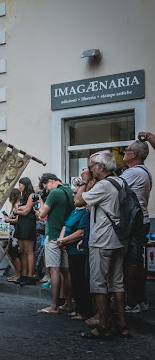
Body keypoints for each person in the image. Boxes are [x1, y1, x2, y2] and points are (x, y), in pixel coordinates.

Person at [75, 150, 130, 339]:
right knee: (117, 283)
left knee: (99, 284)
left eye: (92, 166)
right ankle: (123, 326)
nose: (90, 169)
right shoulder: (121, 181)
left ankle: (103, 326)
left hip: (102, 241)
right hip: (120, 239)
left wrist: (83, 181)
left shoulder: (104, 185)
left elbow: (78, 201)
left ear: (101, 167)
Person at [35, 173, 74, 315]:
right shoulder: (70, 190)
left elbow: (41, 214)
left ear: (51, 181)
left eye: (46, 188)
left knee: (54, 270)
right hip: (67, 237)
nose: (46, 191)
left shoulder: (55, 193)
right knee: (66, 271)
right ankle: (68, 304)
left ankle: (54, 306)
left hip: (53, 235)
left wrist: (40, 204)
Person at [58, 171, 94, 321]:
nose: (74, 196)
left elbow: (80, 233)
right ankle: (79, 308)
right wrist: (62, 239)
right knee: (75, 281)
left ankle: (84, 311)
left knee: (81, 282)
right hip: (71, 251)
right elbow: (66, 225)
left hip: (79, 252)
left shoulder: (85, 211)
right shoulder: (75, 210)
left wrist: (64, 241)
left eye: (76, 194)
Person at [120, 140, 151, 313]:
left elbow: (115, 188)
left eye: (126, 150)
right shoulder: (143, 171)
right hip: (141, 221)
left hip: (134, 223)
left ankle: (132, 301)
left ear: (134, 155)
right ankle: (139, 299)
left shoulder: (133, 173)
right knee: (137, 261)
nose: (124, 152)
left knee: (132, 262)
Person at [13, 177, 37, 286]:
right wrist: (20, 210)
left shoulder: (32, 196)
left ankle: (30, 275)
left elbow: (27, 211)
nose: (19, 187)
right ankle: (24, 273)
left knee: (28, 250)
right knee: (21, 250)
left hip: (28, 224)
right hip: (21, 224)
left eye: (21, 184)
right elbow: (20, 209)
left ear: (25, 184)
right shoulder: (22, 197)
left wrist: (18, 210)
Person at [3, 189, 23, 283]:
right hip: (12, 233)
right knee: (12, 253)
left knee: (14, 253)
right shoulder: (15, 205)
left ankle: (18, 274)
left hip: (15, 234)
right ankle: (16, 273)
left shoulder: (17, 205)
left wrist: (8, 220)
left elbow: (17, 220)